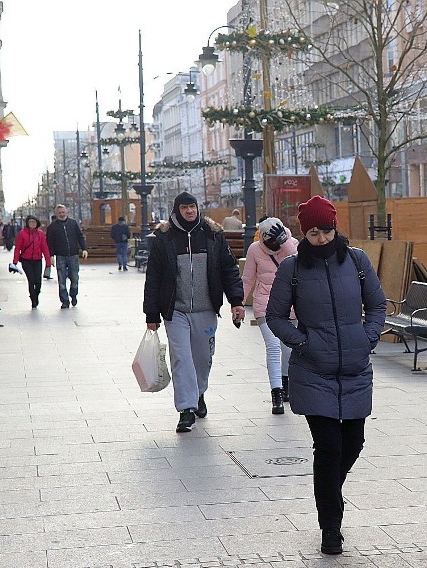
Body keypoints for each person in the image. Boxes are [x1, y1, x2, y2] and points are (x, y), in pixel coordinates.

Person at [266, 196, 386, 556]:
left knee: (353, 444)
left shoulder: (357, 261)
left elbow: (378, 304)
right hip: (313, 369)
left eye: (327, 231)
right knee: (329, 446)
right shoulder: (292, 267)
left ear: (336, 228)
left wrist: (368, 337)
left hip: (354, 367)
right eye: (314, 232)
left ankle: (330, 492)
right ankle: (330, 526)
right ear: (305, 232)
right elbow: (275, 317)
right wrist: (303, 343)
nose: (321, 238)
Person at [143, 192, 245, 433]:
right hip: (175, 310)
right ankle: (186, 409)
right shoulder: (164, 238)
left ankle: (199, 394)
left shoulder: (212, 235)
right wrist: (151, 314)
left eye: (193, 207)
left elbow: (229, 269)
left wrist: (236, 301)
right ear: (177, 210)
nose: (190, 211)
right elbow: (153, 278)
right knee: (181, 359)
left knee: (202, 359)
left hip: (206, 308)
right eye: (185, 207)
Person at [242, 216, 299, 414]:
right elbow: (247, 279)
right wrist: (238, 304)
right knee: (274, 347)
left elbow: (299, 265)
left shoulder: (292, 245)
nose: (272, 245)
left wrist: (285, 243)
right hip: (264, 305)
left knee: (289, 349)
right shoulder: (254, 250)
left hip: (289, 306)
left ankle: (286, 383)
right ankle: (276, 392)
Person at [45, 204, 88, 309]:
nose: (62, 214)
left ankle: (73, 294)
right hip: (60, 256)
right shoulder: (52, 227)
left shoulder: (73, 223)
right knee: (62, 279)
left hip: (73, 254)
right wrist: (51, 256)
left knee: (75, 277)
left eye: (63, 212)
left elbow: (79, 236)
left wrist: (84, 248)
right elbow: (49, 242)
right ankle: (64, 301)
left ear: (66, 212)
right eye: (59, 212)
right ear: (56, 214)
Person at [12, 215, 52, 309]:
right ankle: (33, 299)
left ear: (37, 223)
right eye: (31, 222)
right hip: (26, 260)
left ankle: (36, 295)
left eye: (34, 222)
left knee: (38, 281)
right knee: (31, 280)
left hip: (38, 260)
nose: (32, 224)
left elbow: (44, 247)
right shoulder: (22, 234)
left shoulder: (40, 234)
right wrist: (15, 262)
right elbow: (18, 248)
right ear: (27, 223)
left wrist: (48, 261)